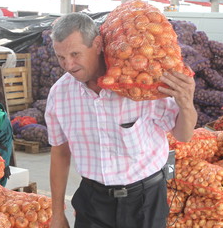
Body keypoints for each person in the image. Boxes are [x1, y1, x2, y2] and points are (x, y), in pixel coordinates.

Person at [45, 13, 196, 228]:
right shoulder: (60, 94)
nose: (68, 65)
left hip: (144, 202)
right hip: (93, 202)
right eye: (61, 57)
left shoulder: (138, 85)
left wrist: (186, 104)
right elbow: (59, 152)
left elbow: (184, 134)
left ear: (97, 44)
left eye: (75, 54)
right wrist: (57, 214)